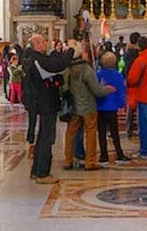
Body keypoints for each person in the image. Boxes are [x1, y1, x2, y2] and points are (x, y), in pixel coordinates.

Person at [21, 33, 74, 181]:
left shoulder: (31, 57)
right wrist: (71, 50)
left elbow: (53, 70)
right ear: (37, 45)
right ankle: (43, 173)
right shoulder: (38, 60)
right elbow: (58, 65)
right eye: (44, 41)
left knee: (43, 137)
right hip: (46, 103)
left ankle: (36, 170)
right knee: (47, 138)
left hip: (41, 101)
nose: (47, 43)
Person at [62, 40, 112, 171]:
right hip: (88, 106)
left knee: (70, 133)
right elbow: (97, 90)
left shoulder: (66, 69)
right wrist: (107, 89)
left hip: (73, 106)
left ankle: (67, 160)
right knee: (90, 133)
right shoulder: (86, 69)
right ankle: (90, 162)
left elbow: (64, 87)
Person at [95, 50, 129, 164]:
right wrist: (121, 105)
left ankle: (104, 155)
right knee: (114, 132)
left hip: (100, 106)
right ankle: (119, 153)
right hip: (112, 107)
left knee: (102, 132)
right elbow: (121, 92)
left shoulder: (98, 75)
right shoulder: (118, 76)